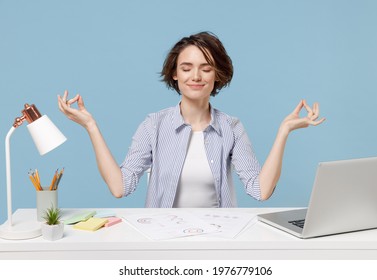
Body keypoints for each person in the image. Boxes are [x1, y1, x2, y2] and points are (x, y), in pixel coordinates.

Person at [58, 31, 325, 208]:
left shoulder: (232, 127)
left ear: (217, 75)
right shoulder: (154, 125)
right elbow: (120, 187)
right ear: (174, 74)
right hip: (163, 246)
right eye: (186, 68)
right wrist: (91, 126)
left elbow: (260, 190)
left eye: (205, 68)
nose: (195, 76)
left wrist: (284, 131)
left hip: (218, 243)